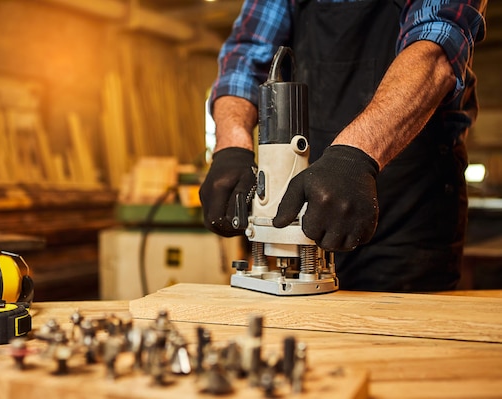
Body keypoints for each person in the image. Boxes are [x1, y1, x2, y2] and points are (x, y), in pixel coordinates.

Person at [199, 0, 487, 292]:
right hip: (313, 194)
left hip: (410, 208)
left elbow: (435, 50)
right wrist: (232, 144)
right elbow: (246, 55)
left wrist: (353, 157)